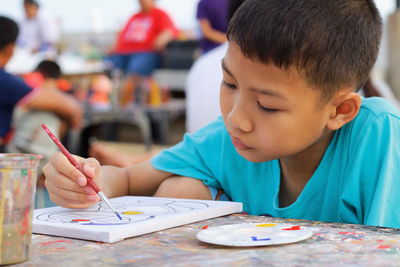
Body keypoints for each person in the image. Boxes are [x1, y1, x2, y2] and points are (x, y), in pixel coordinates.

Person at [43, 0, 400, 228]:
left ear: (339, 110)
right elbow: (126, 180)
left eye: (267, 105)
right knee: (180, 190)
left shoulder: (377, 136)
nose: (236, 117)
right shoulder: (228, 139)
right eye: (229, 83)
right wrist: (86, 181)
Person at [0, 16, 82, 154]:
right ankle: (42, 171)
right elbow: (72, 108)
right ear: (10, 48)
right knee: (44, 114)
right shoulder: (4, 81)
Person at [187, 0, 245, 133]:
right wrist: (230, 39)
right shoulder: (255, 64)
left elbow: (205, 31)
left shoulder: (200, 66)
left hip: (214, 52)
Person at [106, 0, 178, 106]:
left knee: (135, 70)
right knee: (104, 66)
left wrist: (161, 40)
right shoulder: (134, 16)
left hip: (146, 52)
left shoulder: (160, 14)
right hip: (123, 53)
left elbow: (170, 31)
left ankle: (124, 105)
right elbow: (121, 37)